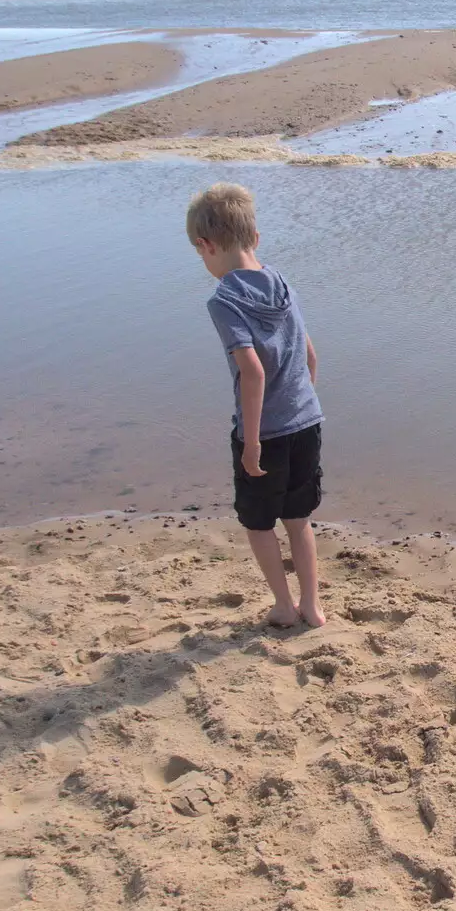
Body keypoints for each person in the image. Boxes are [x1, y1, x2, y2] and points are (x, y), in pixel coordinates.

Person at [187, 182, 326, 627]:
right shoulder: (282, 282)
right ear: (256, 239)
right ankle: (313, 607)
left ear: (205, 246)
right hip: (307, 421)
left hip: (264, 431)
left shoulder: (224, 300)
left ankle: (284, 608)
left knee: (259, 523)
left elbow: (253, 372)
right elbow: (309, 355)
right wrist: (302, 401)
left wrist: (250, 442)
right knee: (298, 517)